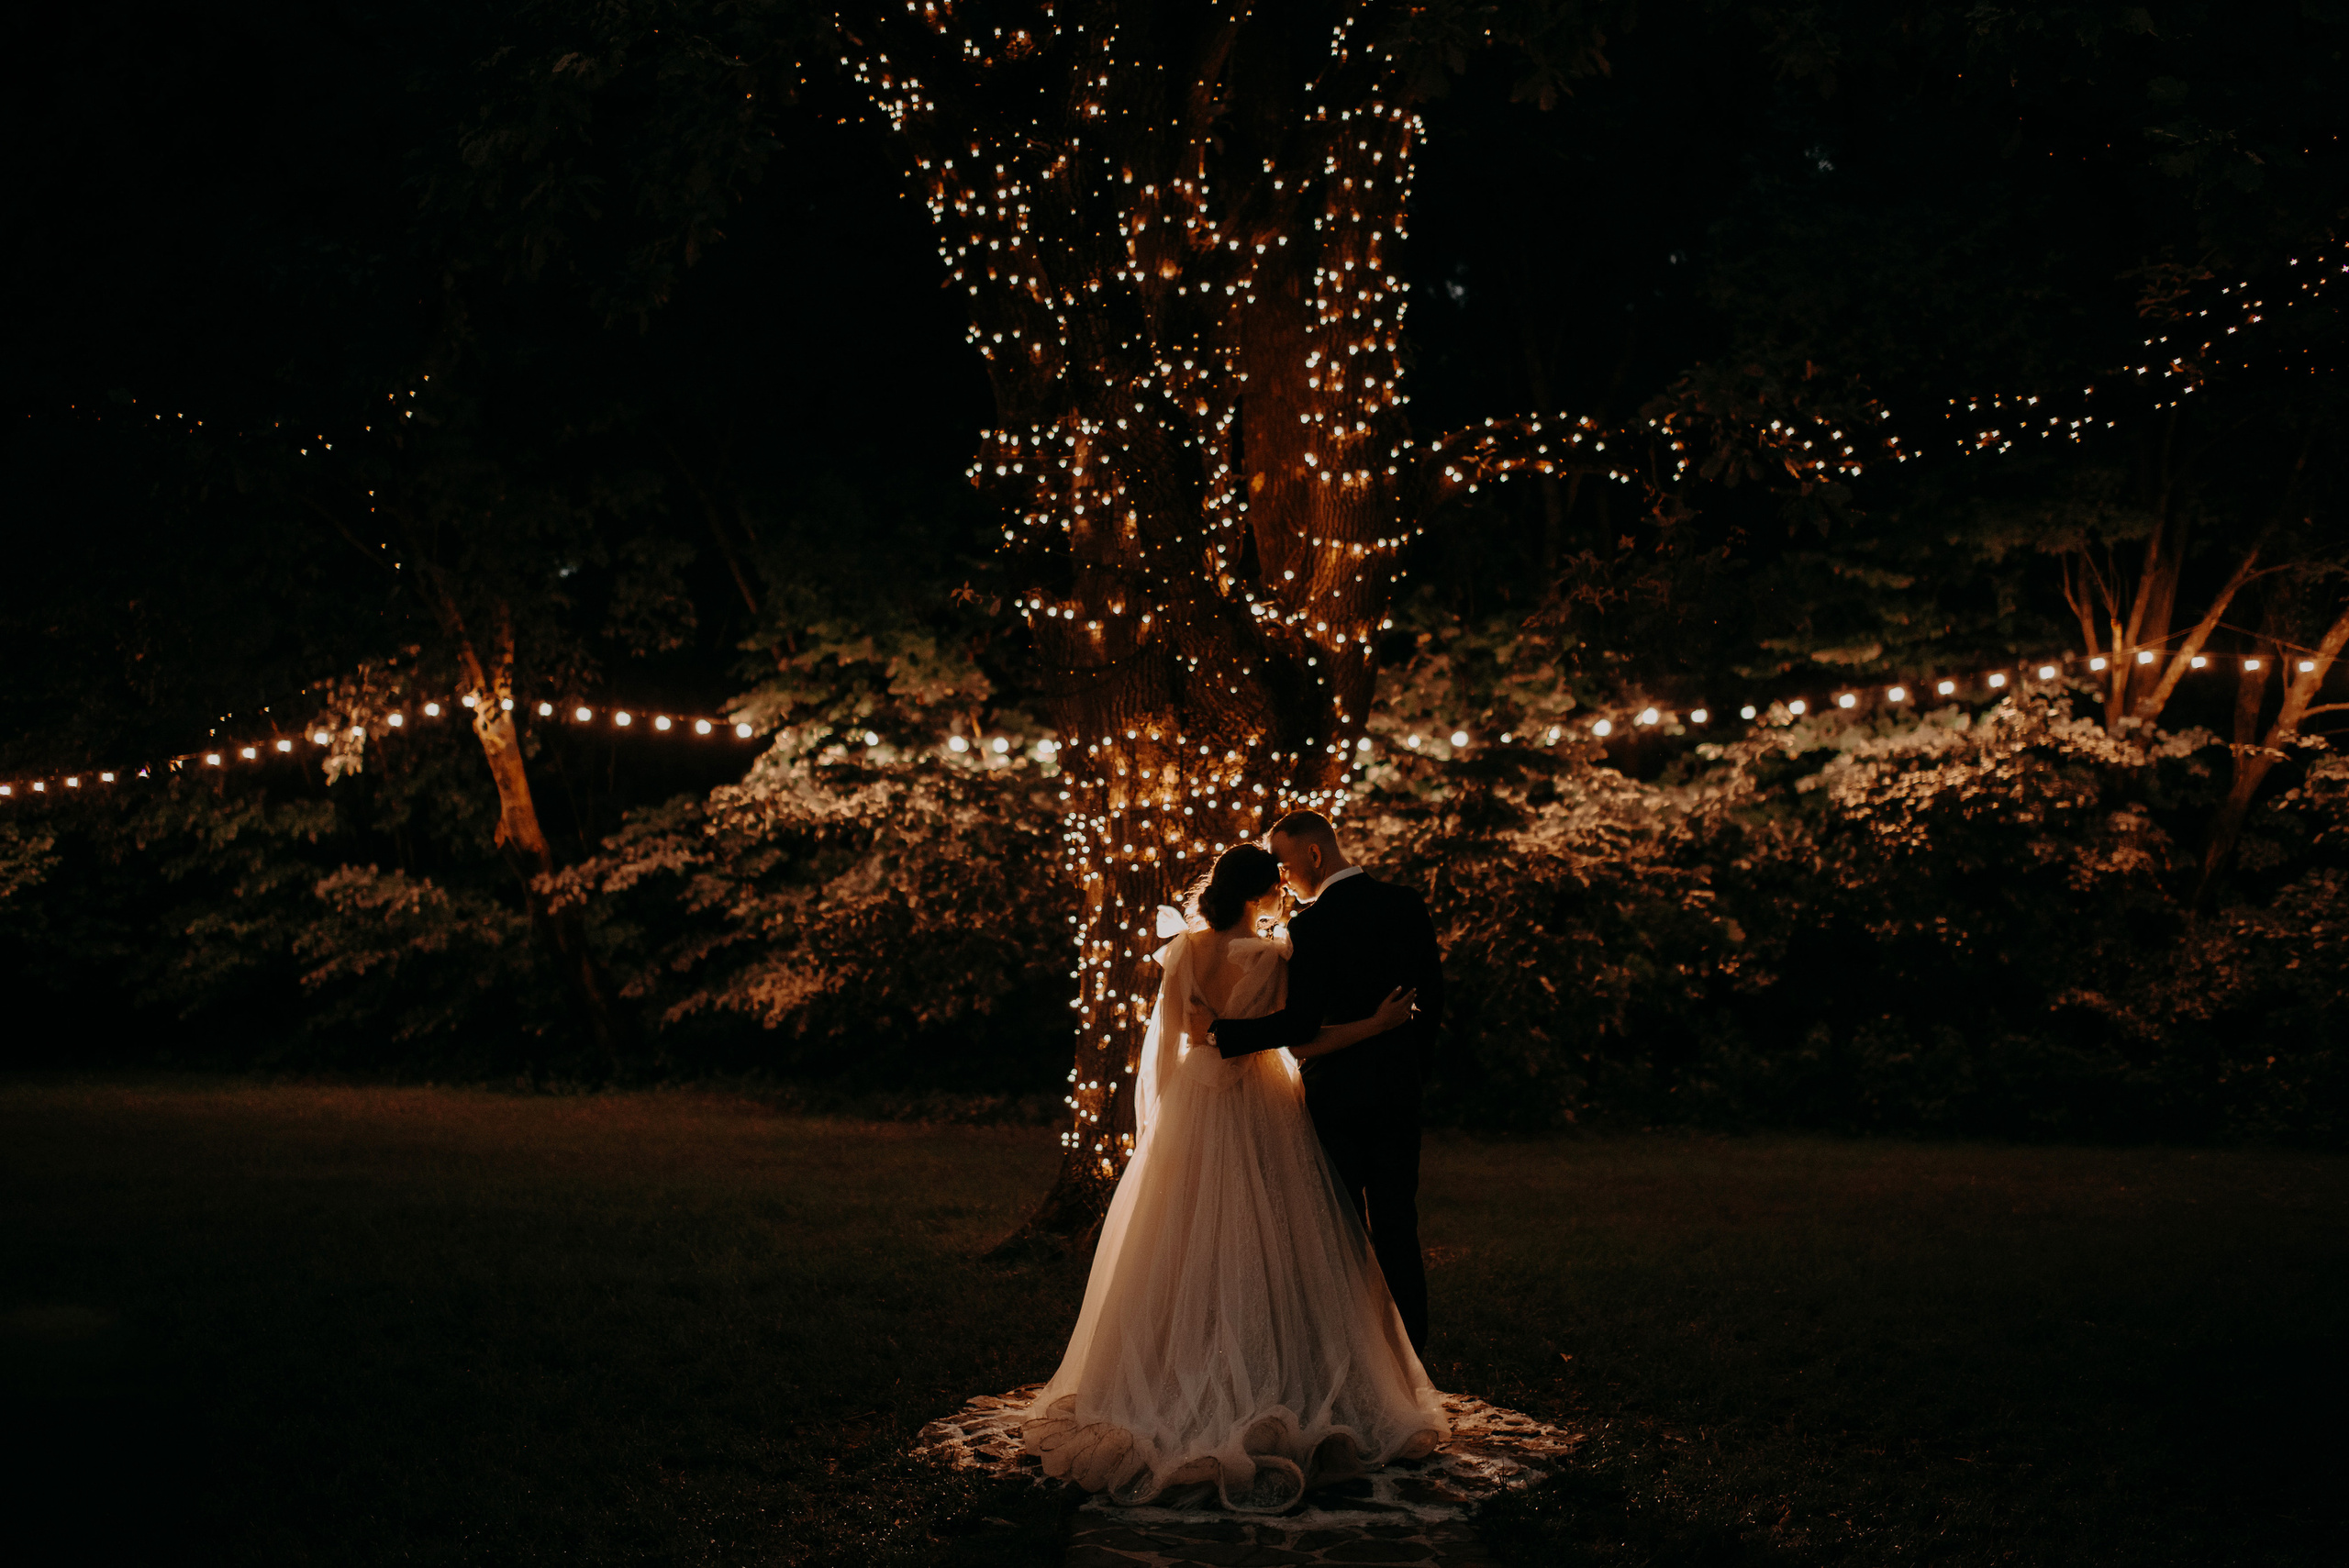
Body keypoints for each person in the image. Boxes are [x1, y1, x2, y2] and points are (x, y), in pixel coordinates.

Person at [1019, 843, 1446, 1512]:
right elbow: (1299, 1039)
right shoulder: (1275, 956)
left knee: (1184, 1234)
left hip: (1194, 1101)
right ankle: (1286, 1369)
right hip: (1261, 1099)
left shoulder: (1185, 949)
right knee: (1278, 1229)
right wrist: (1379, 1023)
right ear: (1262, 892)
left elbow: (1169, 1045)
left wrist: (1164, 1122)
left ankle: (1172, 1370)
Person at [1198, 810, 1444, 1355]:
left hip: (1335, 1098)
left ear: (1313, 855)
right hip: (1400, 1095)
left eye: (1283, 863)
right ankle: (1412, 1366)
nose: (1281, 878)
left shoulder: (1311, 927)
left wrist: (1223, 1036)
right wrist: (1408, 1071)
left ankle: (1355, 1360)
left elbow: (1300, 1026)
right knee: (1399, 1227)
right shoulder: (1406, 903)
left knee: (1342, 1236)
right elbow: (1434, 1003)